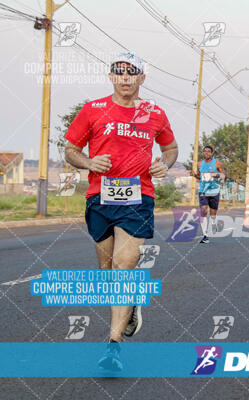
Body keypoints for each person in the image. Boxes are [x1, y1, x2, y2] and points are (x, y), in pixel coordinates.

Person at [64, 52, 178, 370]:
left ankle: (113, 346)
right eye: (120, 72)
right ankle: (131, 308)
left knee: (125, 267)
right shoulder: (93, 110)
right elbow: (71, 148)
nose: (126, 77)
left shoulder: (155, 113)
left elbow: (170, 148)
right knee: (108, 273)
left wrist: (163, 164)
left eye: (132, 73)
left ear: (142, 78)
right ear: (111, 77)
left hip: (138, 196)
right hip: (100, 196)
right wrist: (88, 162)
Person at [192, 145, 225, 243]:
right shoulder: (199, 164)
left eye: (208, 151)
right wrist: (194, 175)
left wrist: (216, 175)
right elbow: (200, 177)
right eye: (205, 151)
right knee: (203, 211)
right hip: (203, 191)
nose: (206, 153)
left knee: (213, 213)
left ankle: (214, 223)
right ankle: (205, 236)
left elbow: (223, 176)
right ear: (203, 153)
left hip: (214, 191)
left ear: (212, 153)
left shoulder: (217, 163)